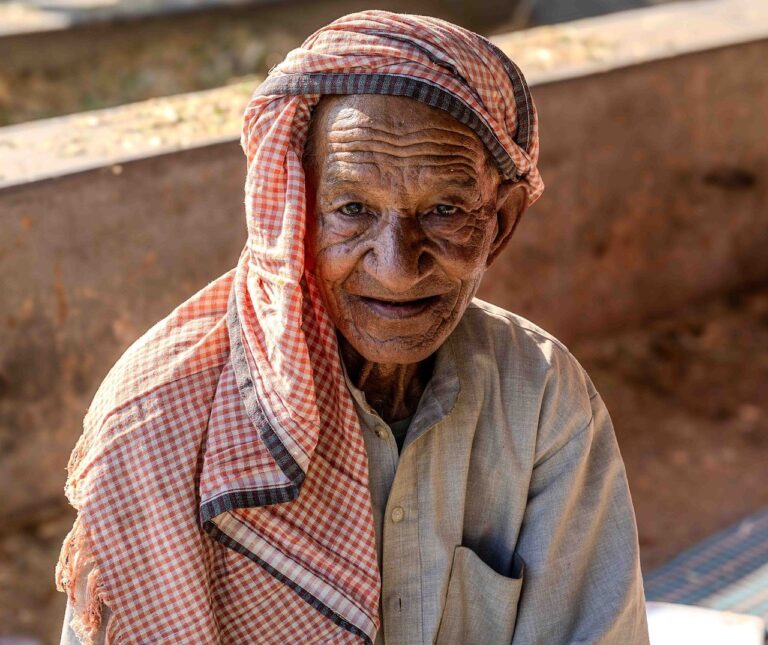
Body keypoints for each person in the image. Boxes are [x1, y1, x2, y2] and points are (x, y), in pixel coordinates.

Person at [57, 10, 649, 645]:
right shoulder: (160, 417)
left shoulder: (539, 392)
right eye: (352, 209)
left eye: (445, 210)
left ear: (499, 223)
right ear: (294, 212)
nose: (396, 268)